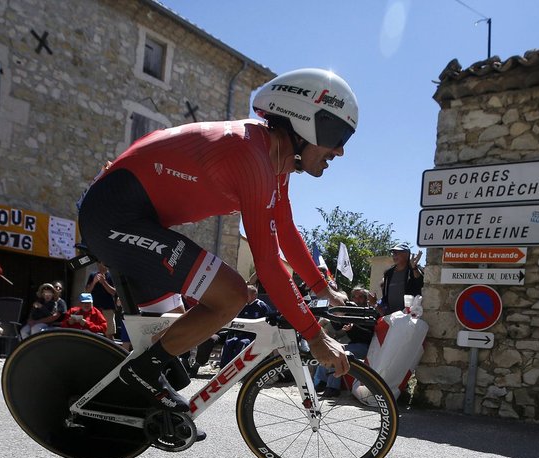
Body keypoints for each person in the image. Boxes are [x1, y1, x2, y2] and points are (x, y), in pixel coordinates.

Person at [77, 68, 355, 412]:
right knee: (232, 294)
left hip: (135, 220)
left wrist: (323, 288)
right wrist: (315, 337)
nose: (340, 152)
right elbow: (267, 264)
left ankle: (127, 404)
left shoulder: (273, 160)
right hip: (113, 217)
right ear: (305, 123)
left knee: (173, 348)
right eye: (339, 135)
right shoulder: (251, 157)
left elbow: (285, 230)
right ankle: (139, 375)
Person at [313, 287, 374, 397]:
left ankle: (332, 387)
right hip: (353, 345)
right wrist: (338, 315)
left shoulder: (369, 312)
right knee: (328, 349)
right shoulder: (351, 310)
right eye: (354, 297)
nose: (357, 299)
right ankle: (320, 382)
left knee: (338, 353)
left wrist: (353, 327)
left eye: (360, 297)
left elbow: (369, 334)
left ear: (365, 299)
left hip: (366, 346)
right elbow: (337, 327)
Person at [217, 285, 273, 368]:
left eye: (247, 293)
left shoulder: (261, 306)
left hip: (255, 336)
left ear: (254, 295)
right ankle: (224, 368)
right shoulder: (243, 305)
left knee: (242, 343)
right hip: (241, 333)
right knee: (229, 342)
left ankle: (238, 368)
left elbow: (269, 321)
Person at [378, 243, 423, 315]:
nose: (394, 255)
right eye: (393, 253)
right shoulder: (388, 273)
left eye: (397, 253)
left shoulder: (413, 270)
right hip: (390, 316)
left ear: (406, 254)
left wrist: (414, 267)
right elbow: (385, 294)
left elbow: (420, 282)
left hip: (408, 316)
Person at [85, 262, 118, 339]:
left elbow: (113, 292)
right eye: (99, 263)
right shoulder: (92, 275)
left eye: (103, 263)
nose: (101, 265)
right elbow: (87, 291)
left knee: (109, 333)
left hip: (108, 308)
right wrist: (94, 282)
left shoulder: (112, 276)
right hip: (94, 308)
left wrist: (104, 282)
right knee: (93, 331)